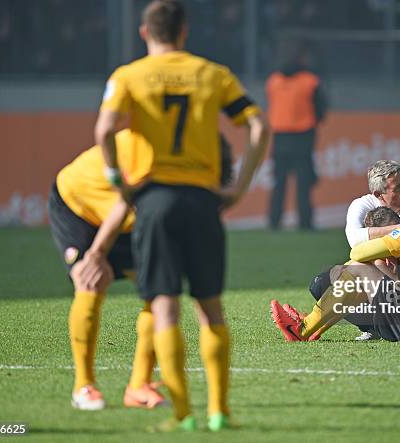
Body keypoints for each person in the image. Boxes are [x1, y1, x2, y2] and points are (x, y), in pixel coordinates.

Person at [93, 0, 269, 432]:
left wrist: (118, 181)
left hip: (154, 201)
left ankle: (182, 414)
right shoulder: (213, 74)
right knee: (210, 308)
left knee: (165, 306)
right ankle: (220, 412)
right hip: (202, 200)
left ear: (144, 32)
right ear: (184, 32)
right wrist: (239, 186)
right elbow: (259, 126)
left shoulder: (128, 76)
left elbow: (103, 131)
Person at [49, 130, 235, 411]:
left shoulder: (190, 160)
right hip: (78, 206)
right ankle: (84, 385)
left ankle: (138, 386)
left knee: (157, 293)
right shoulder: (154, 154)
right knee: (91, 281)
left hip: (132, 216)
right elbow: (125, 201)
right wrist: (97, 254)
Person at [271, 207, 400, 344]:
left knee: (358, 269)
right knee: (359, 270)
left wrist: (376, 259)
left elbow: (356, 253)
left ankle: (302, 330)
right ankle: (315, 326)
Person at [266, 42, 327, 230]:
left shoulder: (274, 81)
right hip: (303, 136)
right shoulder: (310, 81)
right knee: (304, 183)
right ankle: (305, 223)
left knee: (279, 183)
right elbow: (321, 109)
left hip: (279, 137)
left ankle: (274, 222)